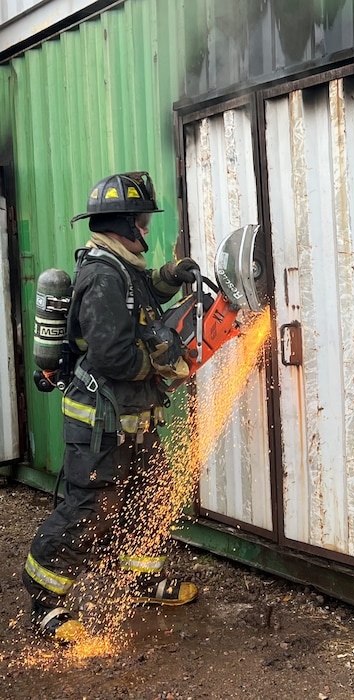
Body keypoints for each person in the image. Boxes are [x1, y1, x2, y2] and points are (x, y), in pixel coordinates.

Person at [23, 171, 200, 642]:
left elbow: (139, 304)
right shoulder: (101, 275)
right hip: (101, 423)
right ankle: (45, 602)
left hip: (133, 418)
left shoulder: (120, 268)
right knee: (90, 508)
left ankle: (143, 578)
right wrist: (166, 363)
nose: (145, 229)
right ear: (122, 223)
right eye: (141, 221)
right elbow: (113, 354)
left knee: (149, 498)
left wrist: (167, 278)